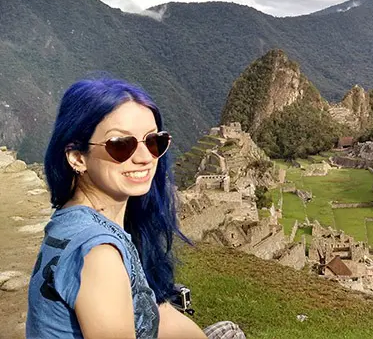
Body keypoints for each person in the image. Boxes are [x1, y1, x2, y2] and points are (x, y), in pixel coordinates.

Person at [26, 77, 245, 338]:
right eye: (121, 145)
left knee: (228, 331)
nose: (144, 158)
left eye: (154, 142)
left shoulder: (73, 220)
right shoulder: (99, 254)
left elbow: (155, 312)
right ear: (77, 157)